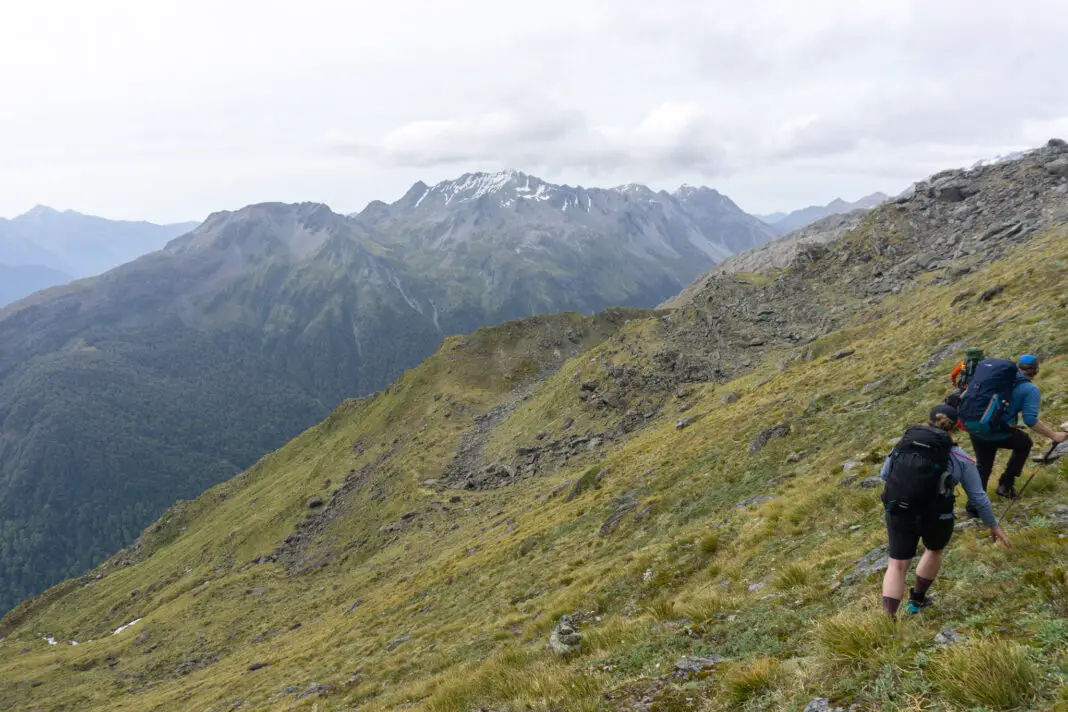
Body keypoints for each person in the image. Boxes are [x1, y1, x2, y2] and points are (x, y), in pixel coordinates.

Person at [880, 404, 1011, 618]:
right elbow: (977, 496)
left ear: (929, 420)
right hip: (936, 514)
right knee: (933, 550)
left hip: (899, 510)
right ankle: (917, 602)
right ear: (956, 427)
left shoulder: (904, 445)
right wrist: (993, 525)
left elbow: (884, 474)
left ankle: (887, 620)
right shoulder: (960, 457)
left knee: (897, 564)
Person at [965, 354, 1068, 513]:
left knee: (983, 466)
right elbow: (1030, 420)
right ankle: (1006, 484)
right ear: (1035, 370)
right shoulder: (1030, 389)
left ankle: (974, 509)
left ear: (1018, 366)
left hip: (977, 428)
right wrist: (1054, 436)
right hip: (999, 432)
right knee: (1025, 443)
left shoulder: (997, 378)